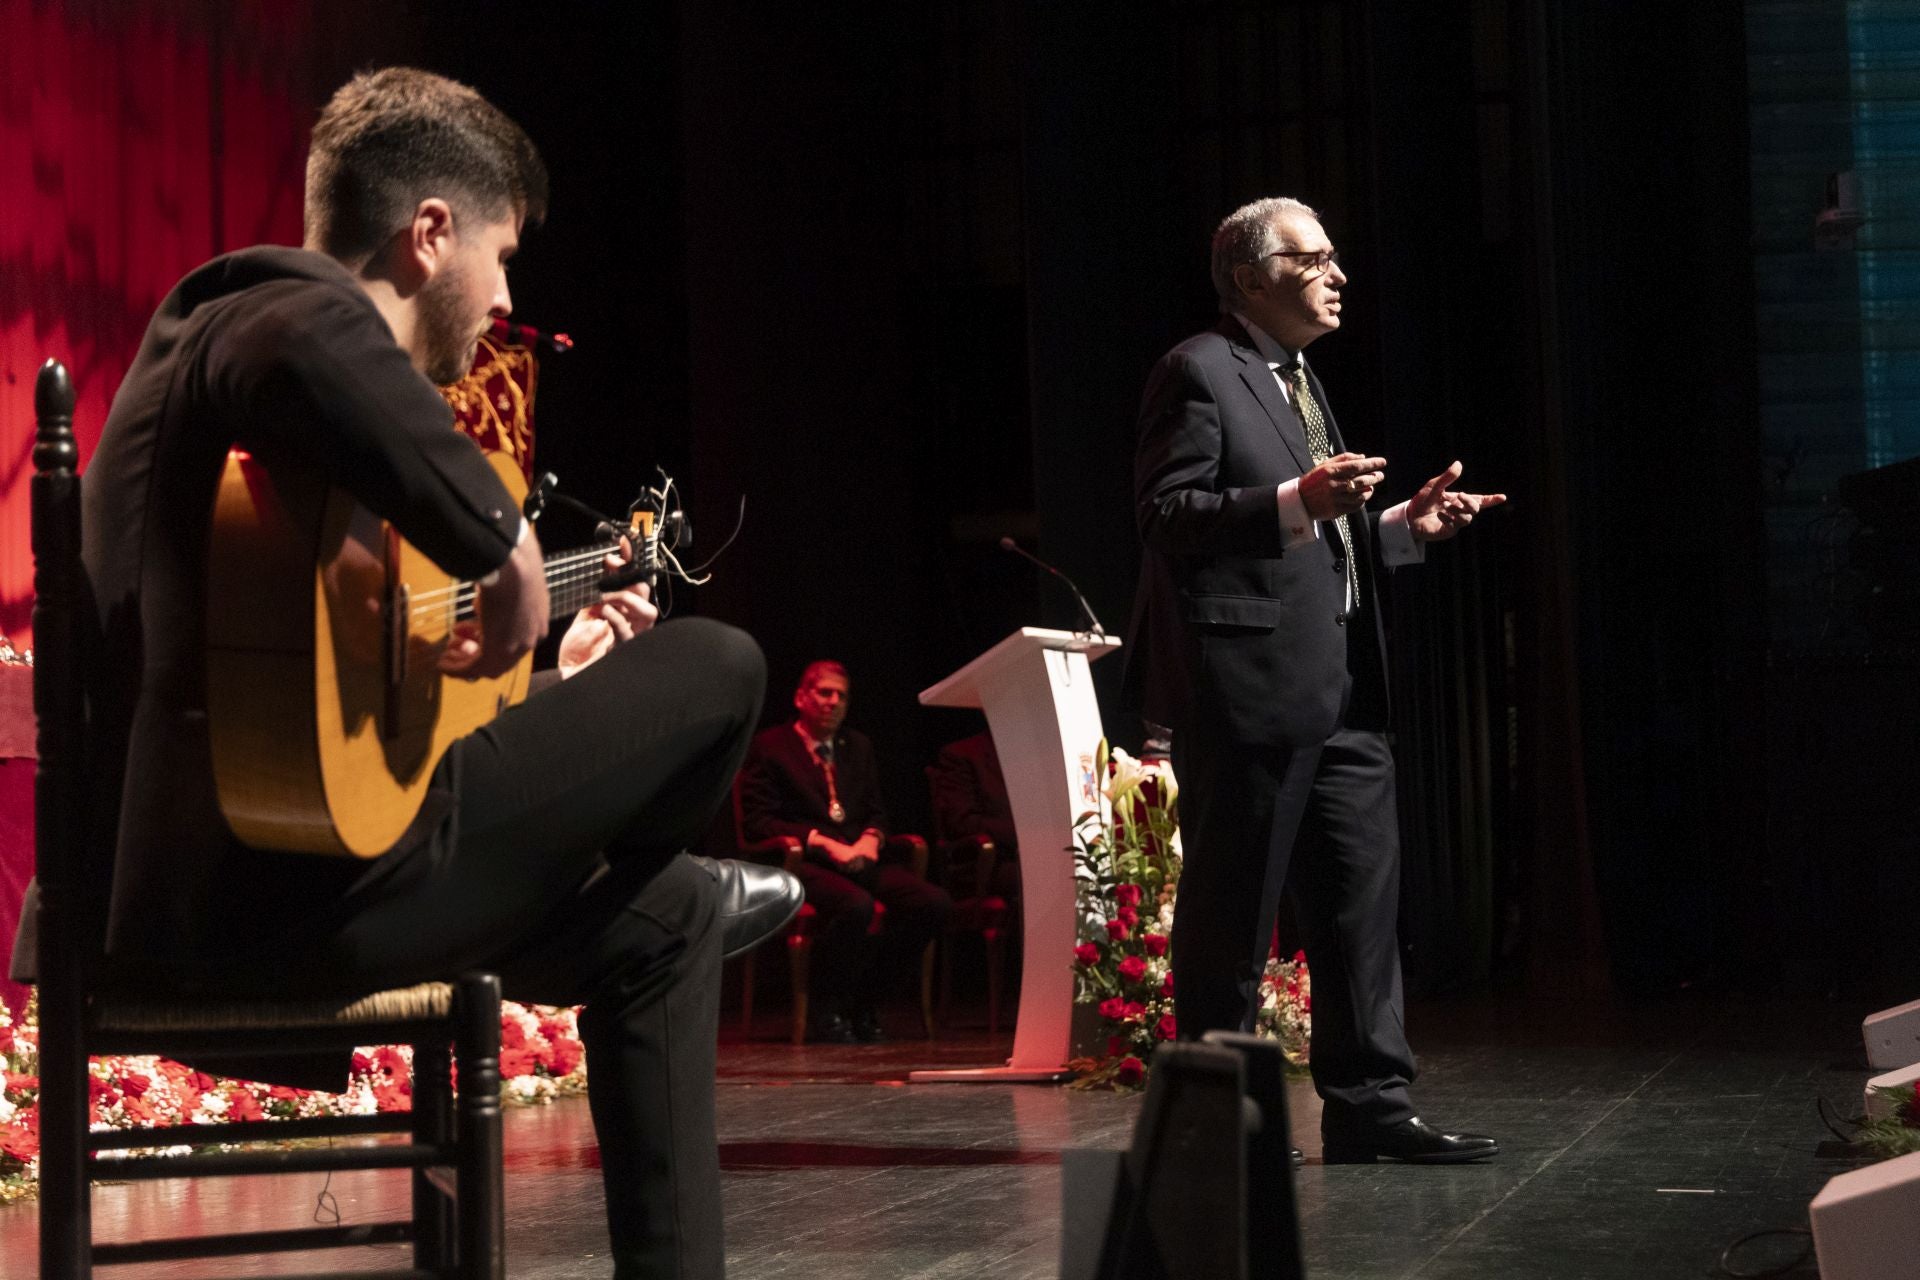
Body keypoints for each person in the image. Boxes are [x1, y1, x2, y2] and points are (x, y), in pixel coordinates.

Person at [29, 68, 799, 1277]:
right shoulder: (255, 312)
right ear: (428, 232)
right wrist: (508, 549)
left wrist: (554, 691)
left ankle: (678, 887)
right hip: (252, 907)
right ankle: (665, 851)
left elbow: (328, 725)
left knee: (661, 921)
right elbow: (301, 341)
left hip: (302, 875)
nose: (504, 297)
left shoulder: (309, 469)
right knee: (722, 664)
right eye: (499, 255)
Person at [1124, 196, 1506, 1164]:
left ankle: (1372, 1103)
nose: (1340, 274)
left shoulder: (1298, 377)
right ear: (1253, 275)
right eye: (1316, 258)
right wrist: (1298, 494)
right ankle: (1215, 1122)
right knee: (1232, 916)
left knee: (1358, 909)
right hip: (1248, 691)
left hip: (1341, 690)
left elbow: (1313, 536)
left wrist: (1395, 530)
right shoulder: (1200, 369)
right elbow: (1169, 514)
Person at [736, 661, 953, 1043]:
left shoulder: (857, 746)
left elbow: (876, 811)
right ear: (801, 697)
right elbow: (758, 823)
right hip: (801, 863)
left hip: (856, 856)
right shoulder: (772, 747)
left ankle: (868, 1001)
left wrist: (872, 838)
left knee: (931, 903)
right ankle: (828, 1010)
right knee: (856, 906)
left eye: (842, 696)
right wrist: (821, 841)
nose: (834, 702)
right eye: (825, 693)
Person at [928, 729, 1022, 902]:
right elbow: (963, 823)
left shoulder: (1044, 756)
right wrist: (1027, 833)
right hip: (994, 861)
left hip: (1045, 853)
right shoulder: (962, 754)